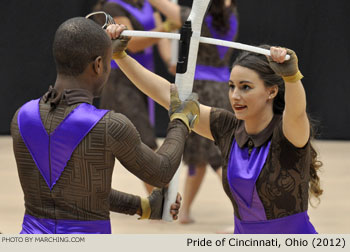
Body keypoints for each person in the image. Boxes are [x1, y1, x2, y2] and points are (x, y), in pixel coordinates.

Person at [109, 24, 323, 233]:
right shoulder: (227, 128)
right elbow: (168, 96)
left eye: (245, 87)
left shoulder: (288, 133)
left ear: (271, 92)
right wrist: (120, 55)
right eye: (232, 86)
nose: (235, 96)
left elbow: (296, 112)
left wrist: (292, 77)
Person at [10, 17, 199, 234]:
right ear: (98, 65)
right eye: (109, 63)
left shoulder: (22, 117)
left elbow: (78, 192)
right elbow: (161, 172)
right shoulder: (109, 125)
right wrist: (180, 121)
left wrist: (143, 207)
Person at [148, 0, 238, 224]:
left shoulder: (197, 17)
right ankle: (185, 211)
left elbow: (165, 7)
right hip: (223, 88)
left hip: (200, 90)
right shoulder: (232, 14)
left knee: (215, 158)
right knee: (201, 156)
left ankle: (248, 208)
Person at [92, 0, 177, 194]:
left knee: (126, 140)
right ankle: (160, 199)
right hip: (120, 79)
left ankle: (163, 198)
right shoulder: (113, 7)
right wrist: (167, 26)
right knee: (142, 139)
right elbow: (134, 44)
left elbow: (161, 38)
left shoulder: (147, 4)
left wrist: (170, 60)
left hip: (144, 77)